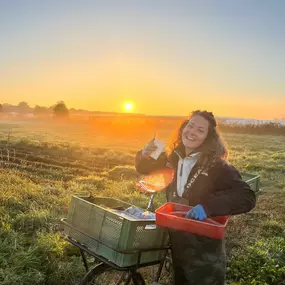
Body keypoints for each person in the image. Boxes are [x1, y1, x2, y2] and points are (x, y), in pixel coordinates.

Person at [135, 110, 256, 285]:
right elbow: (146, 168)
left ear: (208, 138)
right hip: (176, 237)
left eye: (200, 130)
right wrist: (145, 154)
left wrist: (207, 207)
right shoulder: (173, 159)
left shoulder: (217, 167)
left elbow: (246, 196)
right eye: (190, 126)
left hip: (203, 248)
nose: (192, 132)